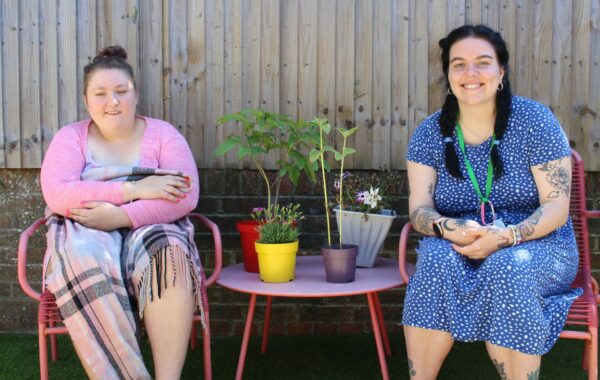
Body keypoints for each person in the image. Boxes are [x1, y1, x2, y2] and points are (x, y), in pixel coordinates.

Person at [402, 25, 581, 379]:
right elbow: (419, 208)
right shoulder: (429, 132)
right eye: (459, 64)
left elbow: (556, 207)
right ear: (448, 75)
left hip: (537, 242)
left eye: (483, 63)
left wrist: (506, 237)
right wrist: (447, 227)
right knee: (433, 259)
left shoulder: (535, 122)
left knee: (507, 266)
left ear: (501, 72)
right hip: (460, 241)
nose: (470, 73)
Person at [40, 46, 202, 380]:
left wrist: (121, 217)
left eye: (121, 91)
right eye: (100, 93)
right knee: (82, 255)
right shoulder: (70, 138)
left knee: (168, 253)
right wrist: (133, 190)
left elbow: (184, 195)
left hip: (152, 224)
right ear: (87, 101)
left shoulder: (163, 135)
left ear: (136, 95)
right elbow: (58, 194)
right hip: (87, 227)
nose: (112, 101)